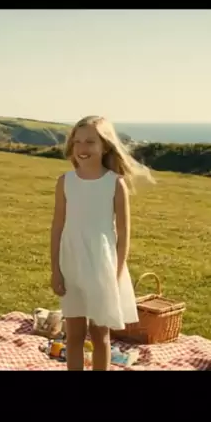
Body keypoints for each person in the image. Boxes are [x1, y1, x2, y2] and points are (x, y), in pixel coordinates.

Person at [50, 115, 155, 371]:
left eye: (90, 142)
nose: (82, 148)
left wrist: (116, 275)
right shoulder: (65, 182)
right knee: (74, 335)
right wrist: (55, 270)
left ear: (105, 146)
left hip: (102, 266)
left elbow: (124, 234)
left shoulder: (115, 184)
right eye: (77, 142)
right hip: (71, 262)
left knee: (100, 335)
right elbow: (57, 227)